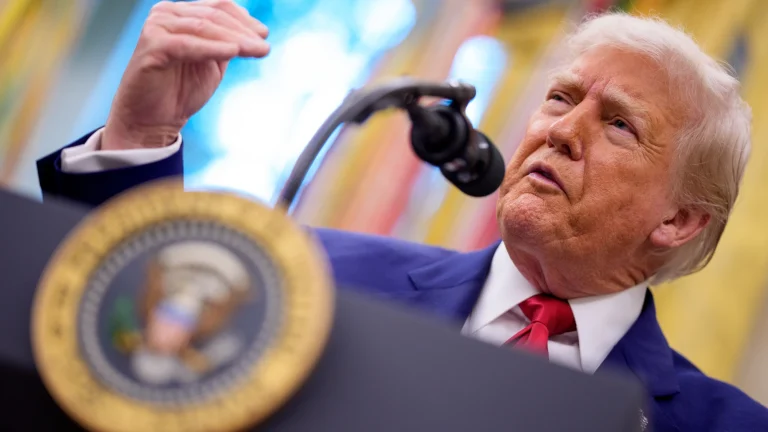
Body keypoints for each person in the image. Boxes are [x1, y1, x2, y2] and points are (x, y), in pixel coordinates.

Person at [35, 0, 768, 430]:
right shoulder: (317, 278)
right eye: (561, 97)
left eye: (619, 125)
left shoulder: (721, 423)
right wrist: (138, 138)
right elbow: (126, 339)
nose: (562, 130)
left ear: (680, 221)